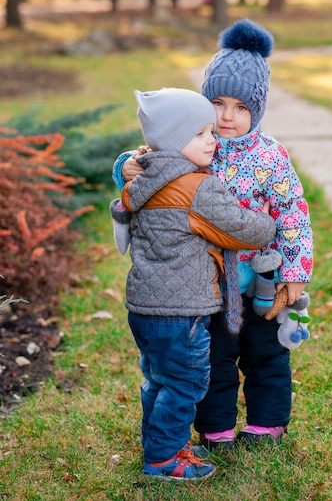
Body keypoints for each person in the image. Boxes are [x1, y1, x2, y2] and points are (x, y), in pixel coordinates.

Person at [112, 19, 313, 451]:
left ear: (256, 110)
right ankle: (217, 427)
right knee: (213, 358)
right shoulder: (195, 141)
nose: (226, 116)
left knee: (266, 354)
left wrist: (294, 272)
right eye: (218, 102)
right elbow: (152, 155)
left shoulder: (270, 156)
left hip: (260, 279)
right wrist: (124, 165)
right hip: (206, 284)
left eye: (241, 107)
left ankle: (267, 422)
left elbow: (293, 212)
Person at [111, 87, 276, 480]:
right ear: (174, 140)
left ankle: (162, 443)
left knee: (158, 380)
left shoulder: (145, 178)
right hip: (181, 312)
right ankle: (164, 459)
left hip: (144, 309)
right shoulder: (196, 187)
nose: (212, 139)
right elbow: (241, 229)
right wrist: (267, 220)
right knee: (185, 383)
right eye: (201, 134)